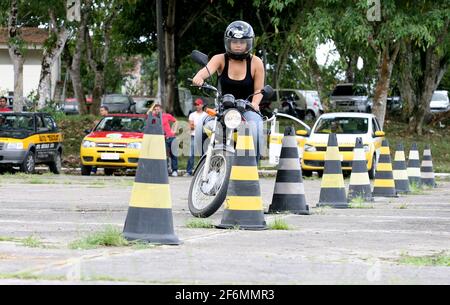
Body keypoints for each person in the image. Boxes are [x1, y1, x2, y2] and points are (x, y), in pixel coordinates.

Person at [192, 20, 265, 161]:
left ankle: (253, 167)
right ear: (228, 42)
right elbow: (206, 70)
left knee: (255, 128)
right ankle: (202, 164)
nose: (238, 45)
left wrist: (255, 103)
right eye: (234, 41)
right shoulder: (219, 59)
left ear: (249, 43)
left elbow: (258, 90)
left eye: (242, 42)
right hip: (223, 108)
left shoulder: (256, 62)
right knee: (201, 125)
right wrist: (198, 77)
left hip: (247, 109)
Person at [151, 103, 179, 177]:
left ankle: (175, 170)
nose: (157, 110)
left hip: (171, 137)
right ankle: (166, 170)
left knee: (174, 154)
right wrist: (152, 109)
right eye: (155, 109)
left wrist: (174, 130)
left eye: (158, 109)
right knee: (164, 155)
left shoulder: (166, 115)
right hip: (162, 138)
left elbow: (176, 121)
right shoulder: (154, 118)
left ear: (161, 109)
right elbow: (148, 118)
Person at [186, 98, 208, 176]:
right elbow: (191, 126)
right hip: (194, 135)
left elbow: (207, 126)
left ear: (202, 105)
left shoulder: (206, 115)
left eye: (198, 104)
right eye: (196, 104)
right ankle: (188, 171)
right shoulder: (192, 115)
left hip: (203, 136)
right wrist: (200, 126)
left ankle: (203, 171)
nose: (197, 106)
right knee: (191, 154)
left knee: (202, 154)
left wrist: (197, 126)